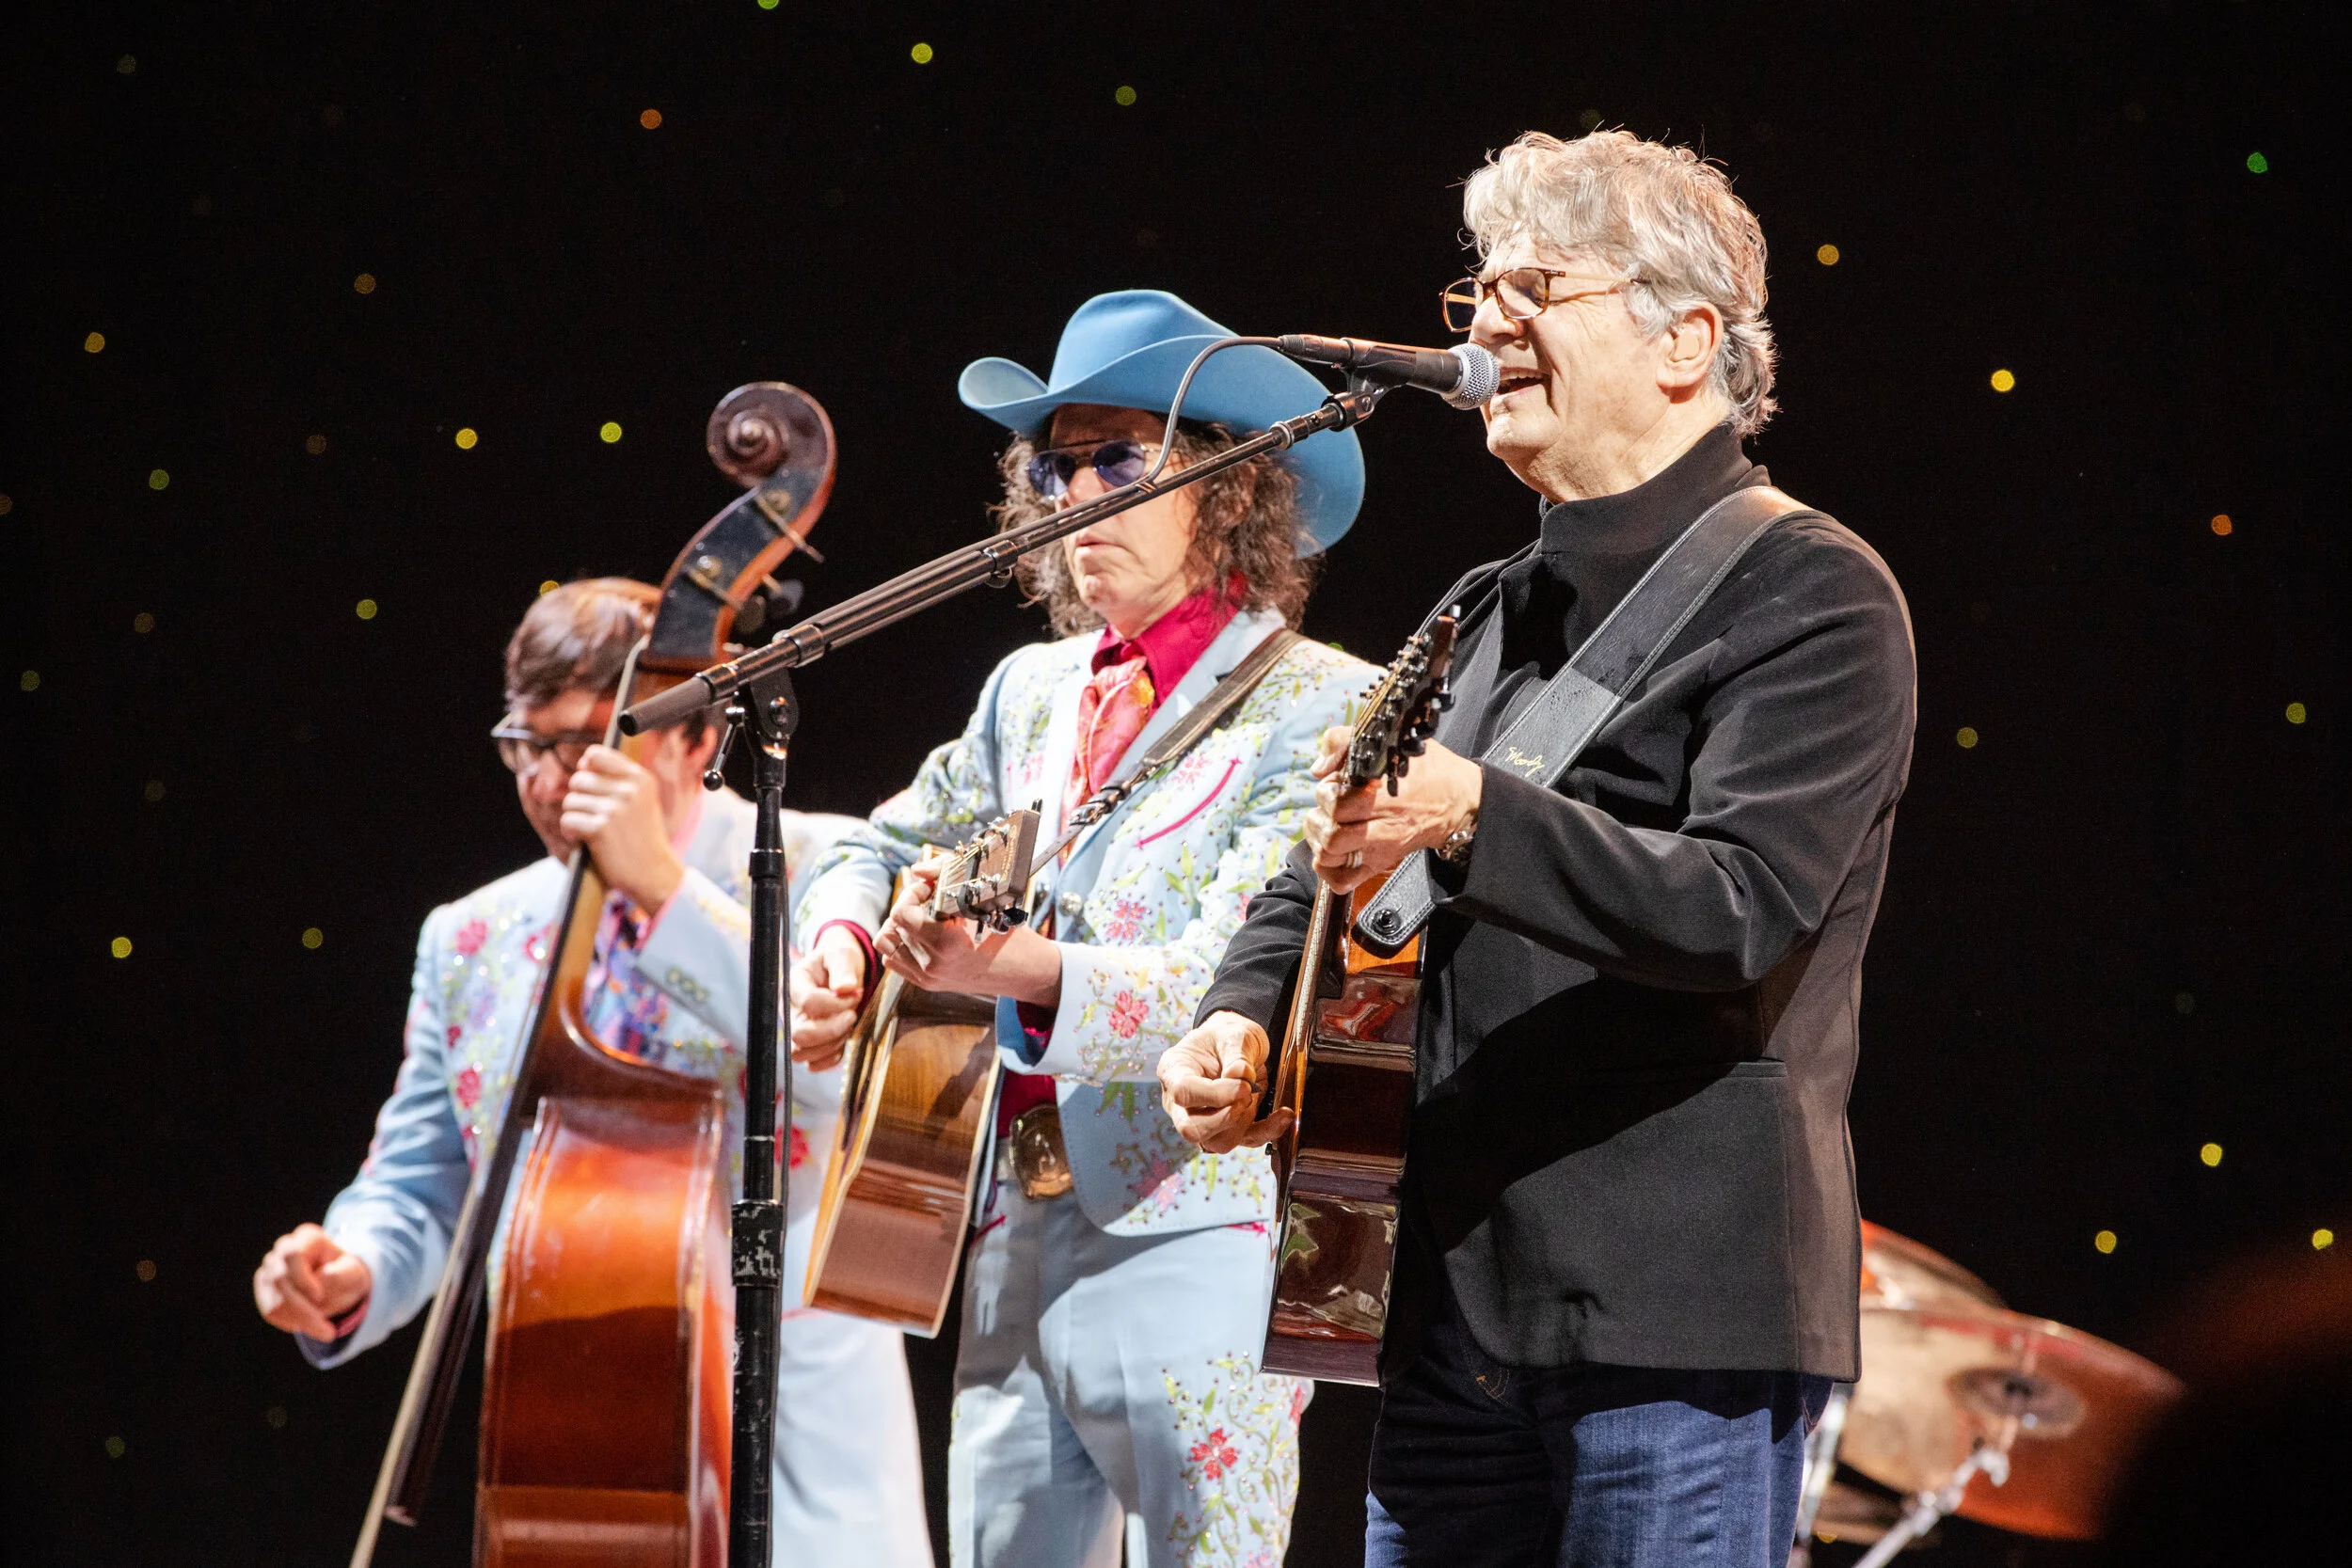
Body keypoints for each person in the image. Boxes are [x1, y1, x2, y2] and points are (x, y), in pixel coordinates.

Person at [1162, 130, 1918, 1567]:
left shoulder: (1813, 587)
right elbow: (1325, 849)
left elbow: (1742, 907)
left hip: (1670, 1318)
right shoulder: (1484, 601)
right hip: (1448, 1304)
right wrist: (1241, 1011)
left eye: (1536, 286)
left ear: (1687, 339)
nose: (1488, 321)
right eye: (1478, 291)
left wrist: (1473, 812)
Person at [788, 290, 1379, 1568]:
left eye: (1118, 455)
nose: (1075, 489)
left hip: (1194, 1222)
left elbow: (1249, 980)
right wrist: (842, 942)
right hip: (1000, 1222)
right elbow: (875, 842)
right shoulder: (1031, 690)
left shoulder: (1324, 704)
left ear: (1227, 485)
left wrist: (1011, 967)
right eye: (1055, 461)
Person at [252, 577, 932, 1566]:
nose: (548, 778)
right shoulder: (469, 935)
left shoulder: (828, 864)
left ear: (697, 738)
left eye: (587, 741)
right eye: (527, 745)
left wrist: (660, 888)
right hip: (581, 1452)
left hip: (806, 1453)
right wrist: (349, 1264)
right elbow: (428, 1179)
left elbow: (852, 1087)